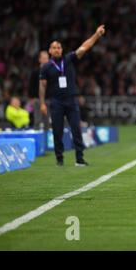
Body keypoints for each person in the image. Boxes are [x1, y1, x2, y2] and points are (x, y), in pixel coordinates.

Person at [39, 25, 106, 166]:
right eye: (54, 47)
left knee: (76, 129)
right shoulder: (46, 67)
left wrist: (96, 35)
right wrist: (42, 103)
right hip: (56, 102)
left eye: (59, 47)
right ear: (50, 51)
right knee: (57, 131)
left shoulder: (68, 59)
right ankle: (59, 159)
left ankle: (79, 159)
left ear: (61, 50)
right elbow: (42, 86)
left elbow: (84, 47)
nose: (57, 49)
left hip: (71, 100)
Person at [28, 50, 50, 129]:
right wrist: (32, 98)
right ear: (39, 59)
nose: (45, 60)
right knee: (37, 120)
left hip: (49, 99)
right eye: (43, 58)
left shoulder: (52, 71)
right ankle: (36, 138)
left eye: (46, 58)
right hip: (37, 100)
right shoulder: (35, 72)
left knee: (48, 121)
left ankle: (47, 139)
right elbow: (31, 86)